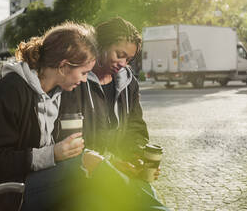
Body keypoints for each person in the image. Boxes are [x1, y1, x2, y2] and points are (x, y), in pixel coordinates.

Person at [0, 22, 98, 211]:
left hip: (32, 182)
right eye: (84, 72)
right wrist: (52, 154)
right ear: (63, 66)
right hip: (2, 192)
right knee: (82, 171)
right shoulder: (8, 92)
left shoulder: (58, 94)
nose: (85, 79)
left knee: (92, 170)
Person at [60, 17, 167, 210]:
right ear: (100, 44)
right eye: (119, 54)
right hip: (83, 176)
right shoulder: (75, 82)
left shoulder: (129, 84)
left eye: (129, 59)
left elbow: (135, 128)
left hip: (119, 171)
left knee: (147, 199)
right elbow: (67, 141)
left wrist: (137, 156)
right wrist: (110, 164)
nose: (123, 63)